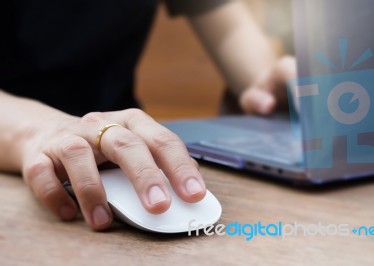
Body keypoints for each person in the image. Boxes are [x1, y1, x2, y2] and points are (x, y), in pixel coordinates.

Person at [0, 0, 295, 230]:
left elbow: (230, 29)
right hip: (19, 140)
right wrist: (39, 132)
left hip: (130, 147)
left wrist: (272, 85)